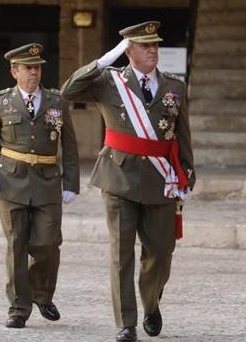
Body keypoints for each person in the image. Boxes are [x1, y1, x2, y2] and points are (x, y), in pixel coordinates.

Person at [61, 21, 195, 342]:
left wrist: (186, 175)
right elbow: (69, 91)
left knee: (161, 252)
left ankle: (151, 303)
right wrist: (105, 60)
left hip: (161, 180)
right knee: (121, 252)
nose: (153, 50)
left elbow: (183, 135)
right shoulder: (110, 81)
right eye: (145, 45)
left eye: (155, 45)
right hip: (118, 177)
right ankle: (126, 322)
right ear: (129, 50)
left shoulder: (174, 87)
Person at [0, 43, 79, 329]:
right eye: (28, 68)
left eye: (38, 67)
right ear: (14, 71)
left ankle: (41, 294)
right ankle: (18, 307)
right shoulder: (1, 102)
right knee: (17, 245)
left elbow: (70, 146)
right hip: (10, 181)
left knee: (48, 244)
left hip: (47, 182)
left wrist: (71, 182)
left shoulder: (57, 102)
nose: (34, 72)